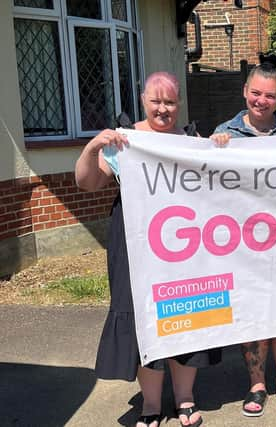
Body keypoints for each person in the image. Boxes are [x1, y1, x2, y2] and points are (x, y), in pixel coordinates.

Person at [75, 72, 221, 427]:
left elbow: (216, 180)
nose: (163, 108)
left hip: (185, 242)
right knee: (143, 316)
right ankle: (151, 405)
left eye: (170, 102)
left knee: (185, 309)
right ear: (143, 100)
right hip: (135, 240)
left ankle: (185, 400)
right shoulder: (126, 141)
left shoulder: (190, 140)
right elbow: (86, 183)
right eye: (156, 101)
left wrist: (219, 147)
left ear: (179, 105)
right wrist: (93, 147)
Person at [210, 53, 276, 417]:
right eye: (256, 93)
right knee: (252, 310)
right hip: (243, 243)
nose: (261, 101)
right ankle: (256, 384)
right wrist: (212, 149)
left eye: (270, 96)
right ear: (245, 91)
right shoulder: (225, 132)